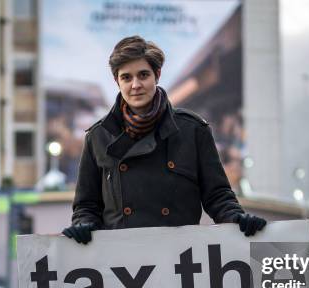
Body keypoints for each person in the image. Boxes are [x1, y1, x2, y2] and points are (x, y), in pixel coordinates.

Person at [62, 36, 266, 243]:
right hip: (121, 260)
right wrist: (82, 225)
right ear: (117, 81)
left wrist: (236, 218)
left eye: (143, 75)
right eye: (126, 77)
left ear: (157, 75)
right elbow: (87, 205)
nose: (135, 85)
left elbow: (217, 195)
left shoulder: (192, 130)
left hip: (180, 258)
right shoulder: (98, 137)